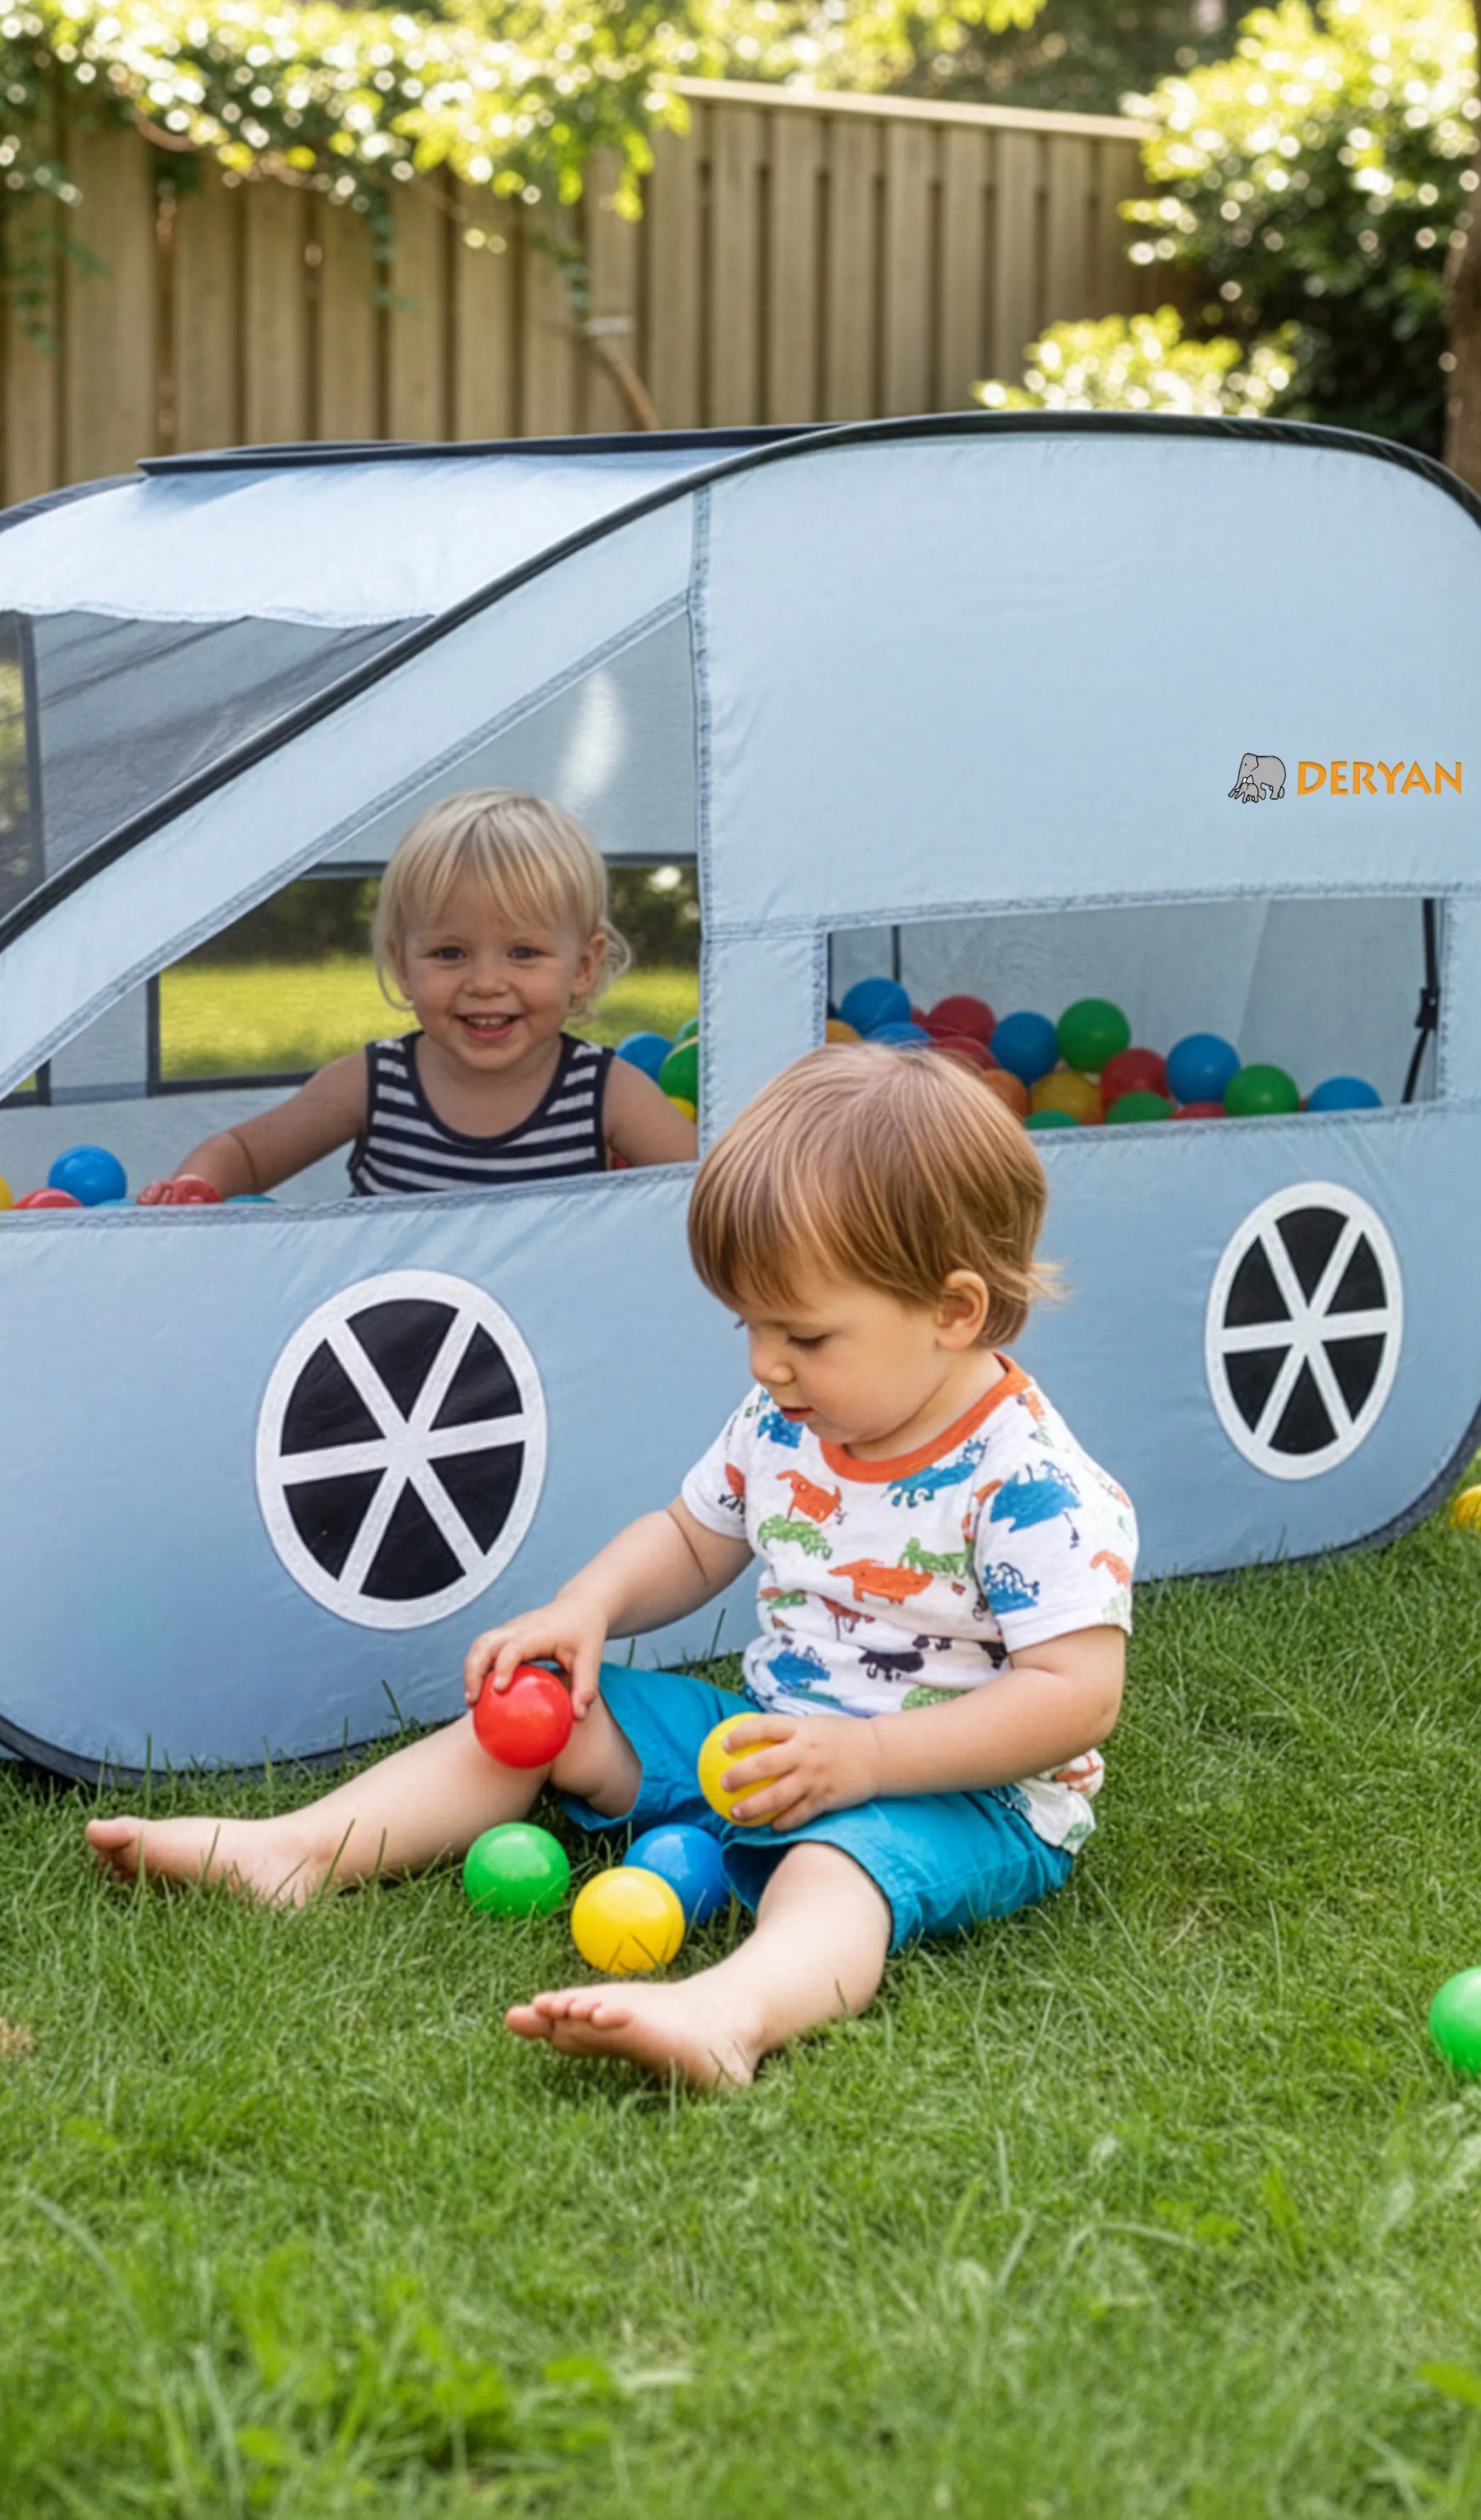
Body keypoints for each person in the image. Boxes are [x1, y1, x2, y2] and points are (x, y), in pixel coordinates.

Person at [92, 1041, 1134, 2090]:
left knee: (834, 1869)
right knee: (540, 1707)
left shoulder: (1031, 1483)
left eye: (806, 1335)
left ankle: (730, 2013)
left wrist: (863, 1766)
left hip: (964, 1796)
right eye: (751, 1325)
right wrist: (588, 1606)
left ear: (953, 1313)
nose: (767, 1364)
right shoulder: (787, 1419)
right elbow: (691, 1537)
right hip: (763, 1748)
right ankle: (302, 1851)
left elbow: (1073, 1700)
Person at [138, 787, 696, 1202]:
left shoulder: (605, 1092)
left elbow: (718, 1193)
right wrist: (194, 1190)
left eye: (523, 953)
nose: (485, 983)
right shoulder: (372, 1084)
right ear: (403, 966)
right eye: (450, 954)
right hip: (394, 1352)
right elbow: (247, 1152)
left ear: (582, 967)